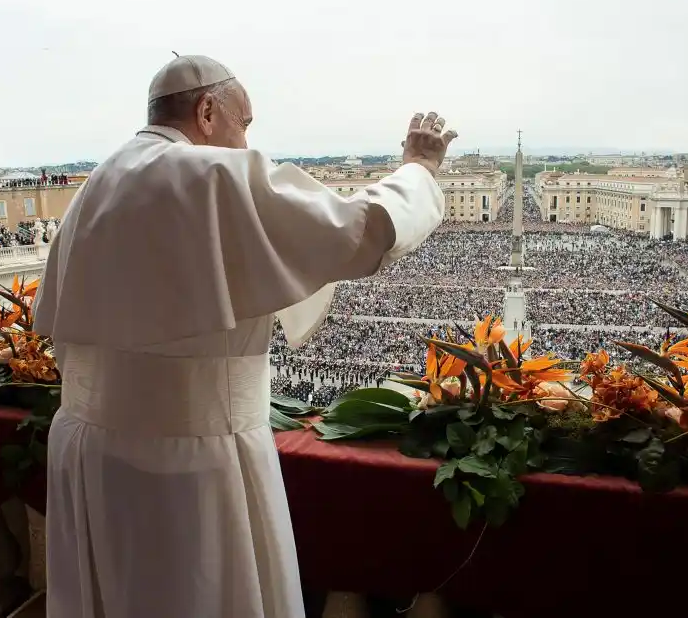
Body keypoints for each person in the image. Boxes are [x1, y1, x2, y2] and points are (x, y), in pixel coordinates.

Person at [33, 54, 457, 618]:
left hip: (89, 454)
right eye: (246, 123)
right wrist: (419, 170)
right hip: (189, 461)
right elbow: (362, 230)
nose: (246, 138)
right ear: (208, 110)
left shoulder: (93, 187)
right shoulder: (208, 174)